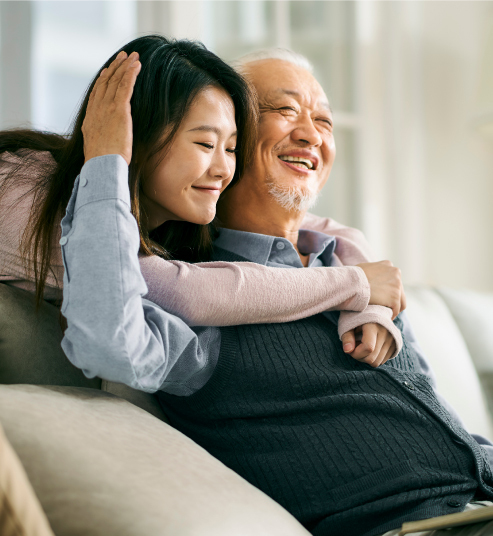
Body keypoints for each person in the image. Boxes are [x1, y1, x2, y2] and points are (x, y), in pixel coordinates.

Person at [59, 48, 493, 536]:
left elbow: (440, 421)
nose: (312, 134)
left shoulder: (355, 268)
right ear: (230, 136)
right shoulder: (189, 301)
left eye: (324, 119)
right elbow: (107, 340)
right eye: (285, 110)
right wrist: (107, 161)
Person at [0, 35, 406, 367]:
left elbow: (317, 225)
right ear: (138, 135)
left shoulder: (172, 214)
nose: (222, 169)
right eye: (204, 143)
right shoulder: (30, 192)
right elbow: (184, 292)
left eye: (231, 148)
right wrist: (354, 285)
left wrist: (371, 296)